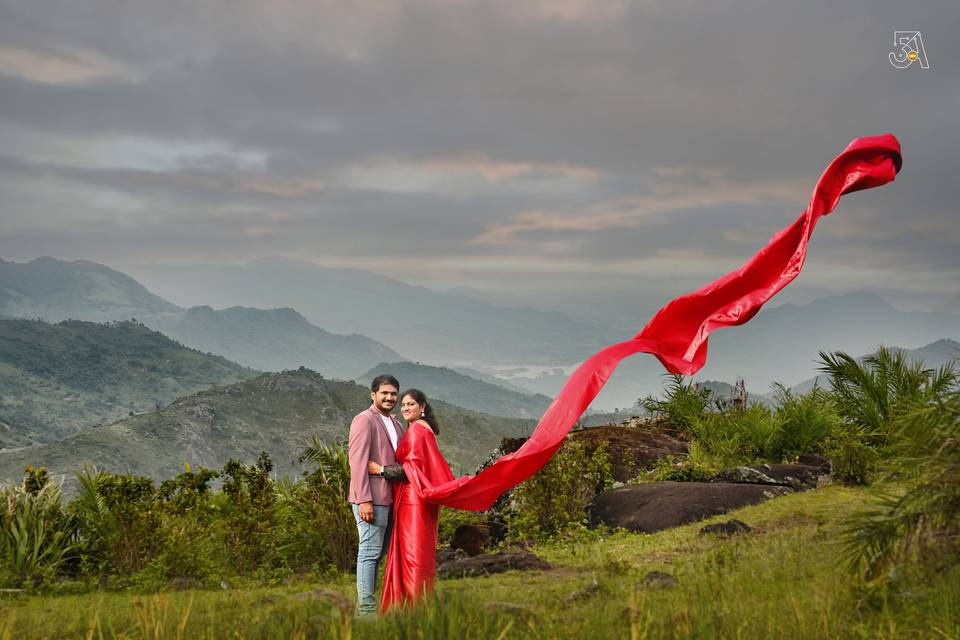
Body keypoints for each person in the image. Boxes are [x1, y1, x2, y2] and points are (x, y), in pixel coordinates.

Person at [370, 388, 454, 612]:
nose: (406, 408)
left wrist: (380, 469)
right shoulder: (421, 428)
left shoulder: (417, 430)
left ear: (422, 407)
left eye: (411, 405)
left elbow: (411, 469)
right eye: (404, 405)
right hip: (418, 498)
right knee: (418, 550)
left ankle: (414, 606)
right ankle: (417, 603)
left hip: (413, 498)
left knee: (412, 551)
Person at [348, 374, 408, 617]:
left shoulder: (395, 423)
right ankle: (366, 611)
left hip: (391, 499)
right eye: (384, 393)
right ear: (373, 394)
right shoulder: (364, 420)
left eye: (393, 394)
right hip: (371, 498)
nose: (389, 397)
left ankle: (367, 607)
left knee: (378, 554)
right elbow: (357, 461)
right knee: (369, 553)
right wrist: (364, 499)